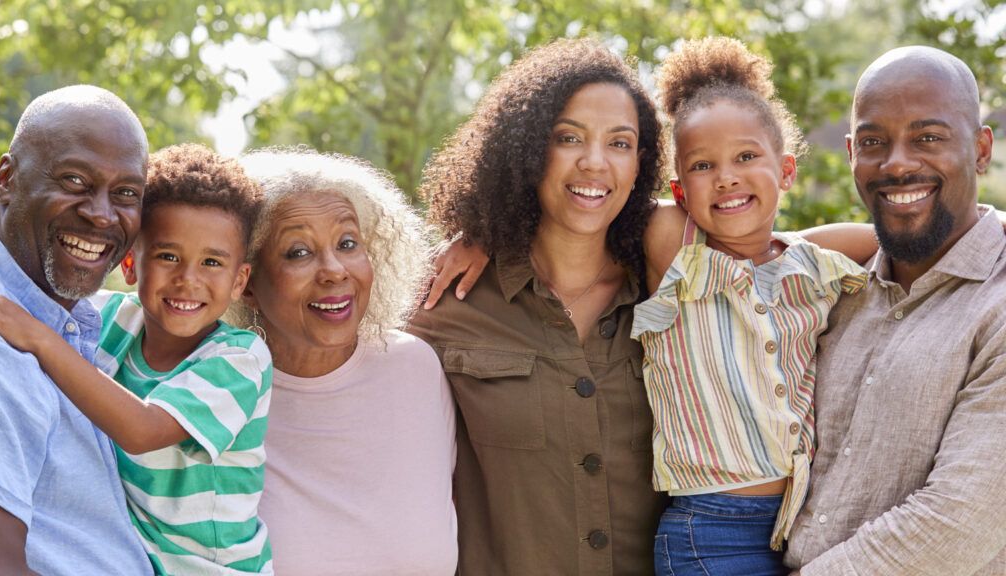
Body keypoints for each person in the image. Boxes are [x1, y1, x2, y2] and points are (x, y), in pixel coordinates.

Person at [410, 38, 666, 574]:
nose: (595, 163)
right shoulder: (443, 301)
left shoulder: (669, 290)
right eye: (568, 138)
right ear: (526, 150)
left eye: (619, 144)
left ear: (639, 163)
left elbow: (782, 245)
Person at [629, 37, 874, 575]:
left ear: (786, 171)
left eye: (746, 157)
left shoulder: (808, 263)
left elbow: (891, 237)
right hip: (711, 531)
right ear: (679, 191)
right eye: (702, 165)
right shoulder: (678, 255)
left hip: (804, 523)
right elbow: (589, 206)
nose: (726, 176)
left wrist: (988, 221)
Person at [0, 143, 273, 574]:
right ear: (132, 264)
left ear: (238, 280)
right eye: (168, 256)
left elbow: (142, 429)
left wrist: (40, 340)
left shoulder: (239, 359)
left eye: (212, 262)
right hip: (139, 556)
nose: (187, 280)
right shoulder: (114, 319)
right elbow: (45, 299)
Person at [785, 46, 1006, 575]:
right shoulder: (832, 292)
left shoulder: (997, 304)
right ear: (850, 153)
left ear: (980, 149)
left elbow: (958, 524)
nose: (898, 163)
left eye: (928, 138)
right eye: (873, 142)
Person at [231, 148, 457, 575]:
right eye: (298, 252)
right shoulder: (217, 392)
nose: (334, 270)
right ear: (245, 283)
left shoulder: (415, 369)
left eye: (348, 244)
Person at [0, 85, 153, 575]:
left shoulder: (78, 321)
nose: (102, 214)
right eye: (75, 180)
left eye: (125, 194)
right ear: (7, 179)